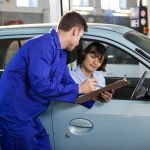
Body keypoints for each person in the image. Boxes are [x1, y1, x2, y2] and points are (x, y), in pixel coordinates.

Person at [0, 11, 98, 150]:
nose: (78, 44)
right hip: (16, 117)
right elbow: (40, 86)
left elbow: (67, 83)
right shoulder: (42, 45)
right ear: (75, 31)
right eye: (80, 37)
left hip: (31, 117)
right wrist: (79, 89)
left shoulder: (61, 53)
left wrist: (96, 95)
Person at [70, 42, 113, 108]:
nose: (95, 62)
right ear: (85, 54)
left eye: (100, 61)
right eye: (92, 57)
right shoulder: (70, 76)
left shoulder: (100, 77)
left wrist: (105, 98)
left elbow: (100, 101)